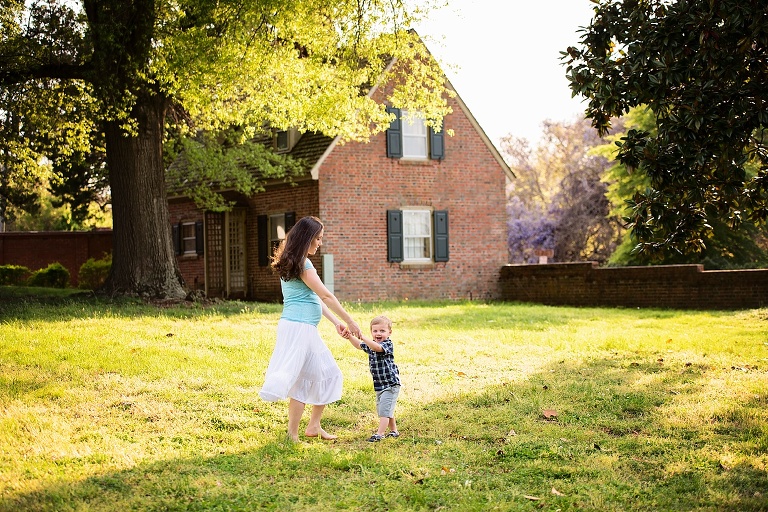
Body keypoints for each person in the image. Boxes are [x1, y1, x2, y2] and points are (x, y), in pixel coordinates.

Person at [259, 216, 362, 442]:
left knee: (324, 374)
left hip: (297, 327)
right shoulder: (303, 264)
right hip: (300, 329)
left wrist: (336, 323)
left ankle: (313, 426)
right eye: (318, 238)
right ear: (307, 239)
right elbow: (326, 294)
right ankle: (293, 434)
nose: (320, 243)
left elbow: (313, 299)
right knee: (305, 380)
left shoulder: (293, 261)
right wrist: (351, 321)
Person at [344, 315, 401, 442]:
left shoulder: (387, 344)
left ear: (389, 332)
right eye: (375, 331)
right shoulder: (371, 344)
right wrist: (350, 337)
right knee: (385, 408)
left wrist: (362, 336)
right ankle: (394, 431)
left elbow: (377, 348)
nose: (378, 333)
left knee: (384, 411)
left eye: (382, 331)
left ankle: (379, 434)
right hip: (380, 385)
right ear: (371, 332)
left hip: (390, 384)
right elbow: (359, 345)